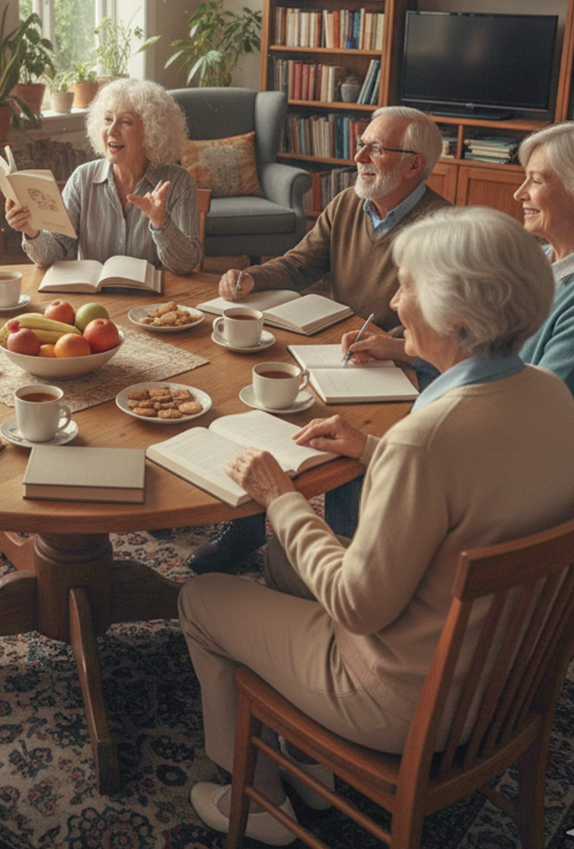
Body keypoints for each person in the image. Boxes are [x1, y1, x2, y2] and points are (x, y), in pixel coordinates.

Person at [178, 207, 574, 845]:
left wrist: (281, 498)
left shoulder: (428, 439)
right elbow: (476, 482)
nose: (393, 299)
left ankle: (254, 798)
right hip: (502, 679)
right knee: (282, 564)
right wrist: (371, 451)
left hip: (404, 702)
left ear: (456, 312)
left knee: (200, 597)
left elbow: (356, 606)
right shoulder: (552, 398)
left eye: (408, 284)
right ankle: (307, 764)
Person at [190, 106, 450, 573]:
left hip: (398, 362)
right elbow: (298, 264)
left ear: (415, 164)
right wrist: (250, 277)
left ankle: (342, 558)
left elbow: (441, 323)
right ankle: (245, 528)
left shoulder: (444, 228)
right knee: (247, 402)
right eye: (362, 143)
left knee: (345, 442)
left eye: (376, 148)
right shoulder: (350, 202)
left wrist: (393, 346)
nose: (359, 155)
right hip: (338, 347)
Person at [341, 120, 574, 397]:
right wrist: (400, 351)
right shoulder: (535, 260)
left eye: (536, 180)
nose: (519, 193)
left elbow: (531, 406)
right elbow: (479, 359)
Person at [5, 78, 203, 275]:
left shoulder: (178, 183)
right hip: (93, 302)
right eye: (107, 119)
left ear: (153, 131)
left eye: (126, 121)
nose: (111, 130)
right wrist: (32, 231)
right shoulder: (82, 179)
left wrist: (162, 223)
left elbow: (185, 265)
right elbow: (53, 252)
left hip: (152, 304)